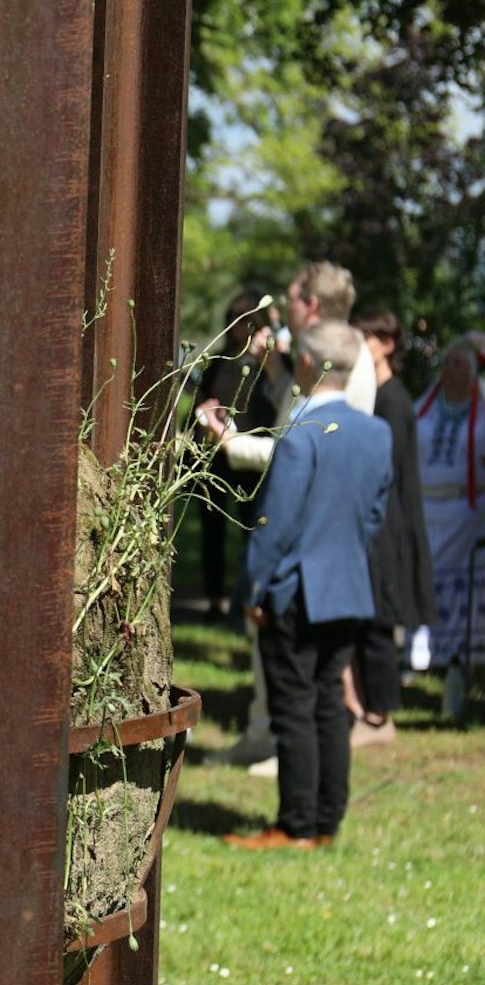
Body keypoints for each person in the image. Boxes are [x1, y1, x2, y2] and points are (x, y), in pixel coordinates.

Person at [197, 262, 374, 773]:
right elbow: (292, 419)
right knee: (267, 640)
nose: (281, 310)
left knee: (300, 656)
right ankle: (261, 734)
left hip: (312, 525)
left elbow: (305, 448)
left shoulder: (348, 360)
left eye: (290, 299)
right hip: (291, 510)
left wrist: (230, 442)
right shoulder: (313, 354)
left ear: (311, 305)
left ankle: (285, 748)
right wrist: (275, 371)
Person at [225, 322, 391, 851]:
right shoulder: (377, 433)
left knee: (294, 704)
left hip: (295, 588)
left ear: (305, 364)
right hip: (348, 586)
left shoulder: (303, 430)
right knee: (327, 703)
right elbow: (374, 516)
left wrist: (253, 590)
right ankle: (325, 822)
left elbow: (275, 523)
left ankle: (296, 825)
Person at [345, 311, 435, 745]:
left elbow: (386, 467)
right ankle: (365, 709)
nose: (361, 346)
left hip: (387, 523)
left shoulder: (394, 400)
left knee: (378, 619)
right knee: (365, 618)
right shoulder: (374, 395)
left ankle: (379, 718)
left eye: (368, 338)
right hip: (373, 518)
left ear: (388, 344)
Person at [192, 290, 287, 618]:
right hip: (215, 460)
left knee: (253, 528)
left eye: (243, 322)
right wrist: (205, 419)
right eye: (232, 320)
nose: (236, 328)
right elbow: (199, 406)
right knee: (212, 531)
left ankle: (252, 597)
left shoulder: (269, 366)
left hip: (252, 461)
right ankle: (215, 599)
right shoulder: (216, 363)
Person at [415, 338, 485, 720]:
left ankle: (458, 668)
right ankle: (422, 657)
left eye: (460, 364)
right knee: (425, 581)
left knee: (462, 592)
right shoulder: (425, 406)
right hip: (426, 509)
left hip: (466, 512)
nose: (451, 370)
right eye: (448, 362)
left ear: (473, 373)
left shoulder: (482, 408)